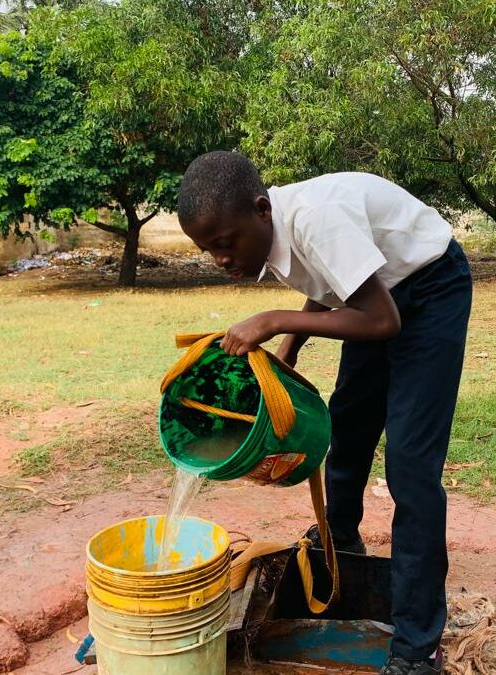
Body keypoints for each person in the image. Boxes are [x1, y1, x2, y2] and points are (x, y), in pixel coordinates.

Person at [177, 151, 473, 675]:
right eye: (208, 250)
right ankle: (341, 535)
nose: (220, 258)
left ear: (261, 210)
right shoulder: (274, 228)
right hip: (377, 297)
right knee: (349, 425)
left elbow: (382, 321)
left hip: (429, 289)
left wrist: (275, 320)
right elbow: (332, 279)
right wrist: (290, 347)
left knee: (411, 467)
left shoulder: (314, 219)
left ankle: (417, 646)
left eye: (225, 243)